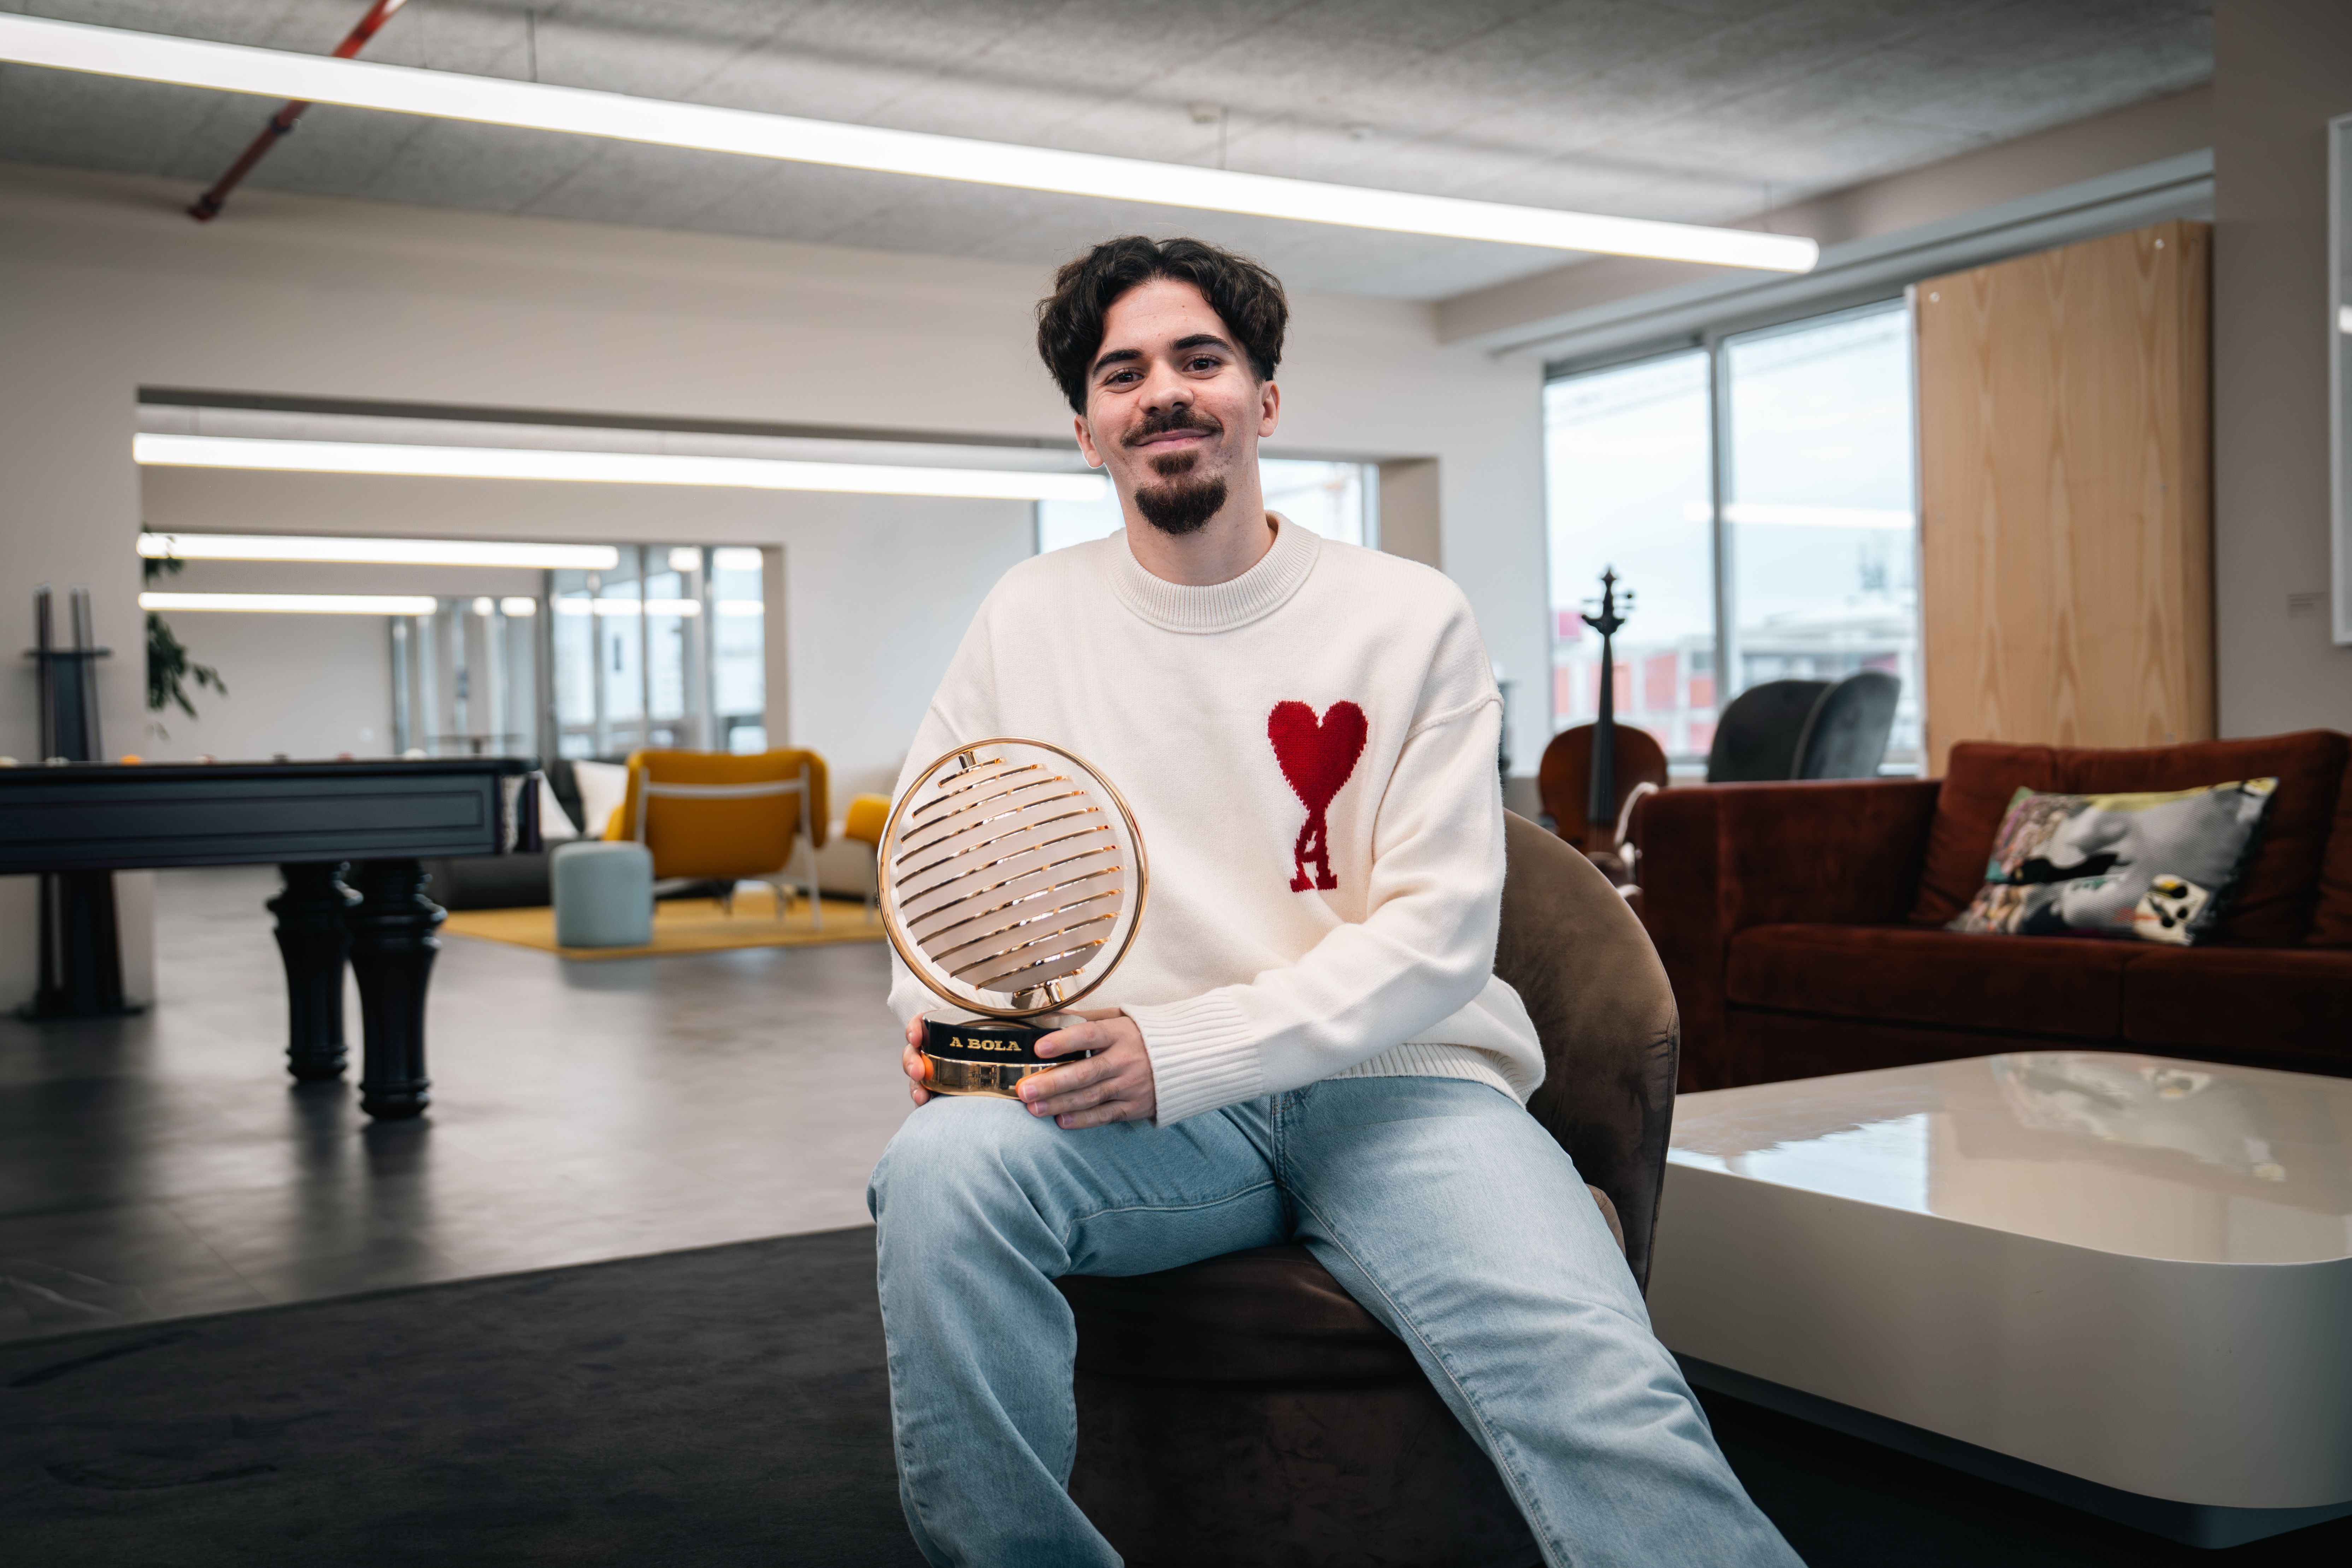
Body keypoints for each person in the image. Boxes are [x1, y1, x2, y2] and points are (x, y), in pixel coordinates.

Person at [867, 234, 1799, 1568]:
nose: (1164, 394)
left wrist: (1178, 1049)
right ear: (1088, 432)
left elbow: (1437, 944)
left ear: (1265, 400)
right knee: (939, 1172)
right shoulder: (1028, 614)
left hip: (1405, 1090)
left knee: (1606, 1394)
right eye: (1124, 375)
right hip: (1148, 1124)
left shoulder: (1407, 614)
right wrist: (957, 1036)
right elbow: (940, 869)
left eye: (1201, 360)